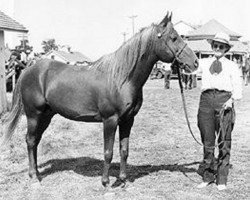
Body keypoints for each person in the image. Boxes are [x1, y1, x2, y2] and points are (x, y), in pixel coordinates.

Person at [196, 32, 242, 190]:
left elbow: (237, 85)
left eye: (221, 46)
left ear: (226, 49)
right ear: (212, 46)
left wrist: (231, 100)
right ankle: (208, 175)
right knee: (207, 140)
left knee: (224, 140)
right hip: (206, 100)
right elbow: (190, 68)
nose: (218, 48)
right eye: (215, 45)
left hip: (224, 101)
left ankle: (221, 178)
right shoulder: (203, 62)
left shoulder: (232, 66)